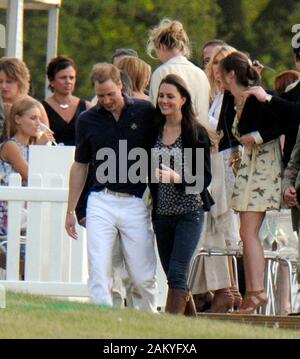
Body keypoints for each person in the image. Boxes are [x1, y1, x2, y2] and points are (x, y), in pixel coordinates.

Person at [65, 63, 157, 312]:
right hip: (101, 199)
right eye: (100, 95)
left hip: (136, 199)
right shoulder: (87, 119)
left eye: (110, 94)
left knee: (142, 273)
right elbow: (80, 165)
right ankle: (101, 315)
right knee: (98, 264)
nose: (106, 100)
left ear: (120, 86)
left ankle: (147, 316)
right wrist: (71, 209)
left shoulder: (145, 111)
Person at [219, 51, 283, 314]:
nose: (218, 79)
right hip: (251, 168)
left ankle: (256, 291)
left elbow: (284, 122)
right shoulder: (237, 99)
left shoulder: (257, 98)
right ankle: (255, 290)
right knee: (247, 233)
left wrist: (256, 137)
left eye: (221, 74)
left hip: (262, 170)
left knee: (248, 232)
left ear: (231, 74)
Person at [149, 74, 213, 315]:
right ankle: (191, 328)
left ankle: (169, 329)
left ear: (183, 100)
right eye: (161, 96)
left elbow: (203, 178)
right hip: (162, 213)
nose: (164, 101)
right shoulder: (154, 130)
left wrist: (178, 178)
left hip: (189, 212)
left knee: (177, 271)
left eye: (170, 97)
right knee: (174, 276)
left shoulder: (194, 133)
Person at [190, 45, 242, 313]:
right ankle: (218, 290)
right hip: (213, 163)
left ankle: (229, 290)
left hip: (228, 163)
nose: (216, 68)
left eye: (221, 62)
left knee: (223, 223)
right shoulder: (213, 97)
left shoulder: (235, 98)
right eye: (211, 63)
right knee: (213, 226)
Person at [0, 97, 44, 277]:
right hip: (7, 211)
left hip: (23, 210)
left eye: (39, 119)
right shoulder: (11, 146)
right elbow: (30, 175)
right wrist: (41, 148)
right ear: (18, 119)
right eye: (33, 118)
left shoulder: (30, 146)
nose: (38, 124)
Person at [147, 18, 210, 127]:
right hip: (201, 136)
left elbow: (157, 109)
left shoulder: (162, 72)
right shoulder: (200, 73)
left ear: (161, 46)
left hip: (173, 137)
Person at [42, 56, 92, 146]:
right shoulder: (42, 108)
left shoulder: (87, 107)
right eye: (63, 77)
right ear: (51, 80)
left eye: (72, 78)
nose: (68, 81)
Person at [0, 57, 50, 141]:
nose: (3, 86)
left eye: (9, 82)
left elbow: (45, 139)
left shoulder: (35, 106)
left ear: (20, 81)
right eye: (0, 81)